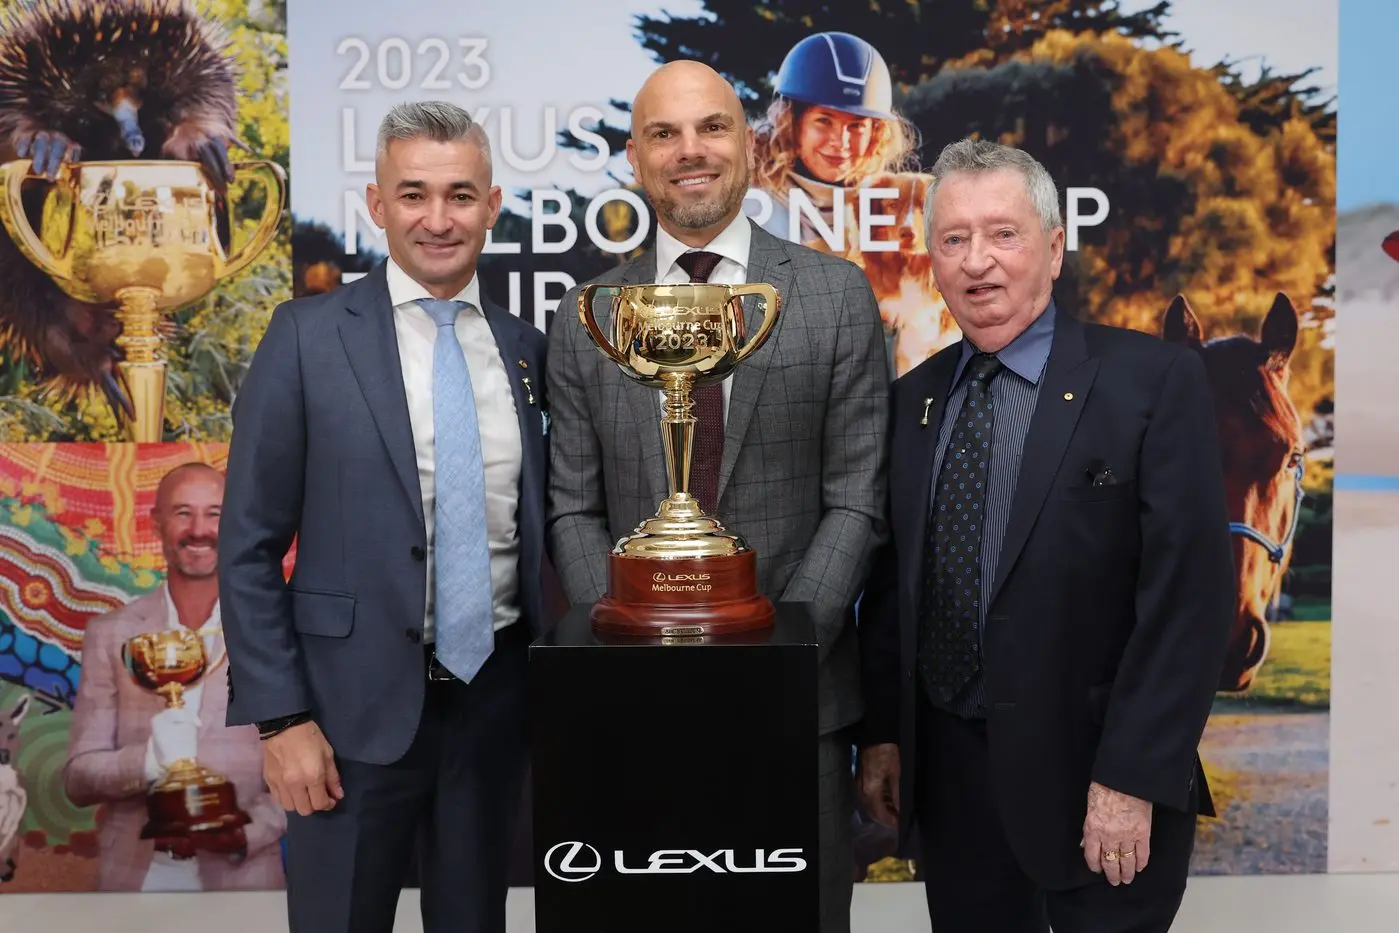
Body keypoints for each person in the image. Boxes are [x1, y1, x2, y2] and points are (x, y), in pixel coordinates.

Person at [855, 137, 1235, 932]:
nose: (976, 261)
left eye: (1003, 233)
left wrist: (1130, 778)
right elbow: (893, 590)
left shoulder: (1151, 383)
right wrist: (885, 736)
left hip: (1100, 781)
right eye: (953, 239)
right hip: (954, 792)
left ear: (1054, 248)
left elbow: (1188, 602)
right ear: (932, 259)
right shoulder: (911, 401)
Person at [546, 60, 889, 933]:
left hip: (797, 708)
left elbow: (857, 498)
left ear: (749, 143)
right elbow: (572, 509)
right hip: (630, 711)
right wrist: (630, 658)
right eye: (663, 133)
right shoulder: (589, 316)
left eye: (711, 127)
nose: (689, 150)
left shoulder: (835, 296)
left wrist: (774, 660)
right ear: (634, 157)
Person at [218, 101, 551, 933]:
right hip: (342, 719)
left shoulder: (526, 348)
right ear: (376, 204)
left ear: (491, 204)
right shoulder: (304, 337)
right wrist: (282, 717)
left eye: (460, 195)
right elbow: (249, 545)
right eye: (413, 194)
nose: (438, 219)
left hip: (493, 709)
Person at [63, 462, 285, 892]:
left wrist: (248, 832)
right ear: (156, 524)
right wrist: (152, 760)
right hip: (135, 879)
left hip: (245, 882)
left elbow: (306, 764)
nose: (199, 530)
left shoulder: (273, 632)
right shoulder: (111, 634)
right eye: (183, 512)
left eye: (214, 514)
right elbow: (78, 778)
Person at [745, 31, 957, 379]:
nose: (840, 142)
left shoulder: (890, 206)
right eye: (823, 121)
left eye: (856, 126)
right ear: (791, 121)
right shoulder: (750, 204)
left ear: (876, 133)